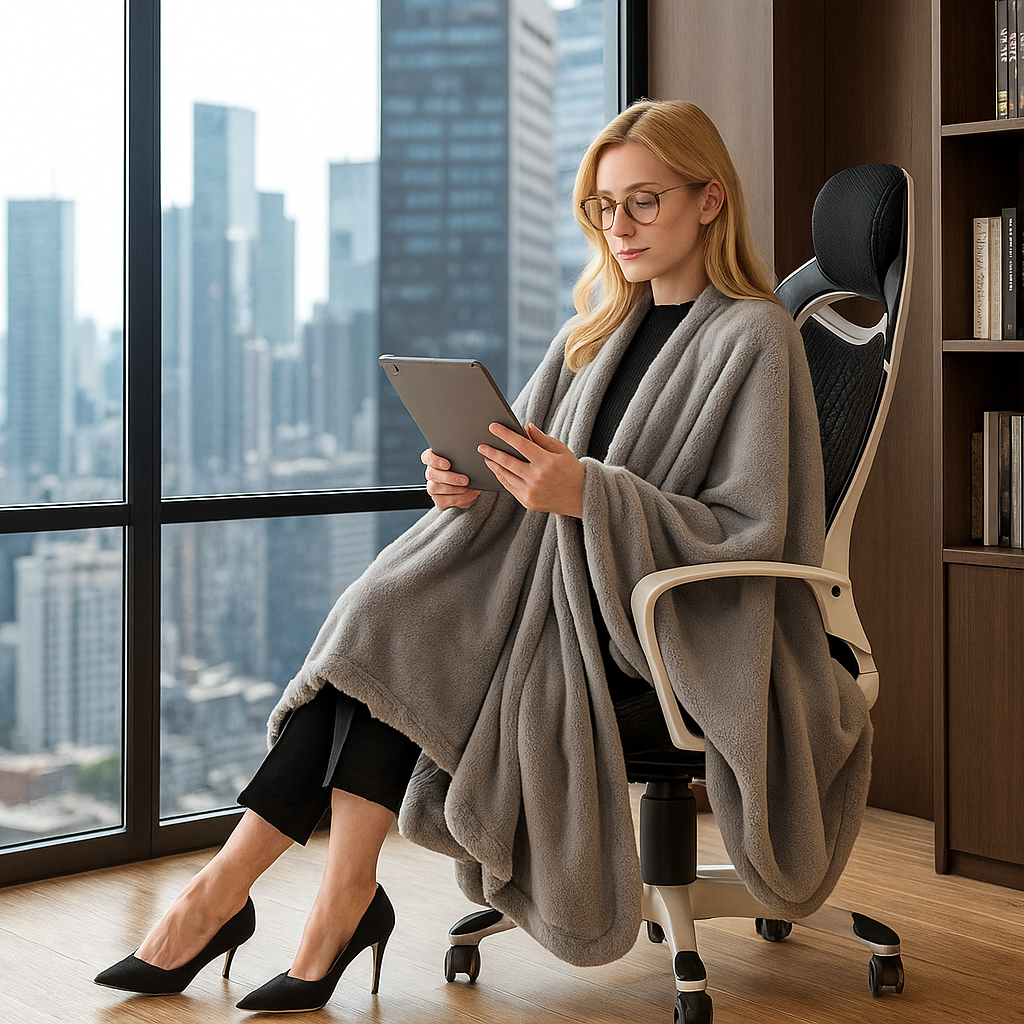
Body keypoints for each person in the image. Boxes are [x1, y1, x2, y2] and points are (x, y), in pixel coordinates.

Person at [94, 99, 871, 1013]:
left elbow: (752, 526)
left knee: (405, 628)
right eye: (601, 207)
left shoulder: (754, 336)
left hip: (658, 623)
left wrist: (588, 496)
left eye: (643, 202)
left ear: (709, 201)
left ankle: (244, 903)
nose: (618, 227)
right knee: (391, 620)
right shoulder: (592, 335)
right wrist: (470, 479)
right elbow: (525, 468)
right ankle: (301, 903)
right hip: (551, 585)